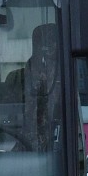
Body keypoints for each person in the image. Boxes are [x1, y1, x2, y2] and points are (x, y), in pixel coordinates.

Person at [22, 22, 60, 150]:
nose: (47, 47)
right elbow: (31, 103)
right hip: (34, 132)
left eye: (52, 41)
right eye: (42, 43)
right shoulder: (32, 65)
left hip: (60, 133)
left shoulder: (65, 66)